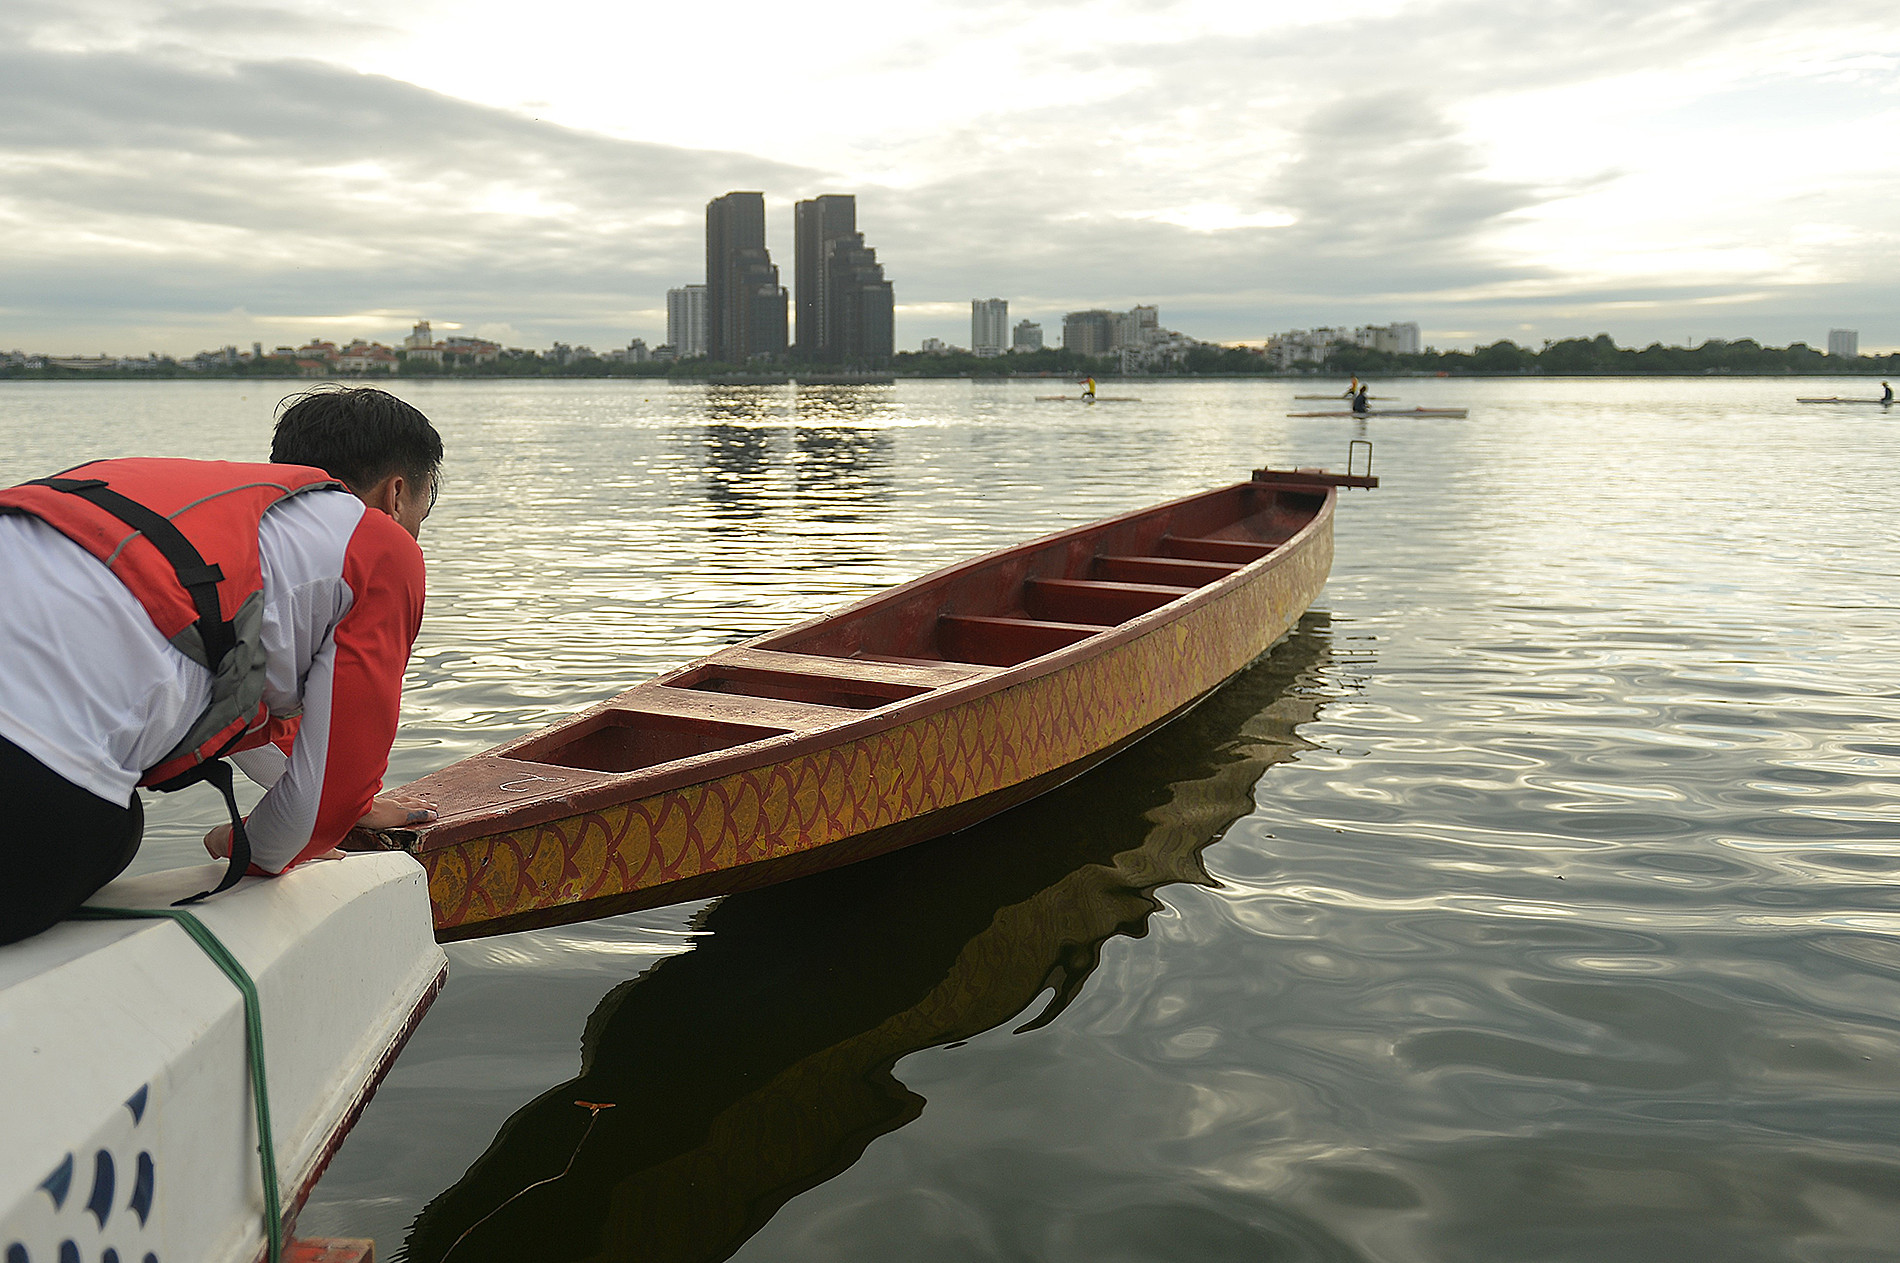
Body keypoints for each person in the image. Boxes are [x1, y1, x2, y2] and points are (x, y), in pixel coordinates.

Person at [0, 386, 443, 945]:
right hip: (25, 763)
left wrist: (342, 801)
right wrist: (246, 845)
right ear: (396, 496)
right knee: (114, 827)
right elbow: (313, 814)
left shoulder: (179, 494)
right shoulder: (380, 548)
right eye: (423, 514)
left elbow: (224, 683)